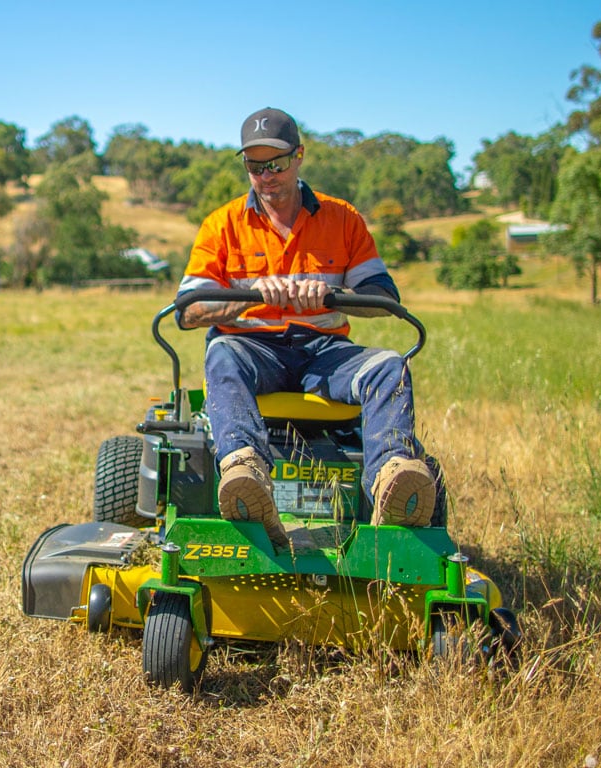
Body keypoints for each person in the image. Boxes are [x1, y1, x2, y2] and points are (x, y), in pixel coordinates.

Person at [177, 107, 436, 546]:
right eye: (254, 166)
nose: (266, 175)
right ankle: (244, 470)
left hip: (324, 352)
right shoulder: (221, 226)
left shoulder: (342, 219)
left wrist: (331, 296)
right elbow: (188, 312)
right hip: (252, 347)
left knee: (388, 366)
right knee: (220, 352)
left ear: (299, 157)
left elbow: (384, 298)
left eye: (275, 163)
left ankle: (393, 477)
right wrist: (255, 294)